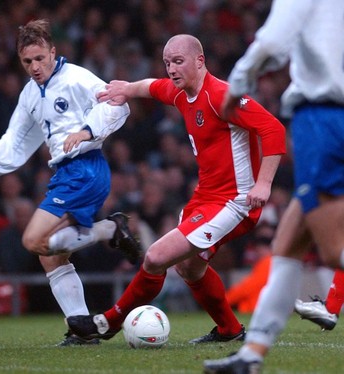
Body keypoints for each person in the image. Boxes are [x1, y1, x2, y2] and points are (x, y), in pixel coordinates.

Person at [65, 34, 286, 344]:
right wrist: (127, 89)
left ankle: (106, 322)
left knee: (155, 257)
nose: (171, 68)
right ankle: (229, 331)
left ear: (200, 61)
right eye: (167, 62)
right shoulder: (181, 92)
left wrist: (263, 183)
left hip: (234, 202)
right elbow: (152, 86)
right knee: (189, 269)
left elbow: (273, 128)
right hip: (206, 198)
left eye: (178, 61)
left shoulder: (222, 96)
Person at [0, 19, 141, 346]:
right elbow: (16, 140)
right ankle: (82, 328)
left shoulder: (77, 78)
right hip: (66, 174)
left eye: (40, 58)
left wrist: (86, 131)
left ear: (53, 53)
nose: (35, 67)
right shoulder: (31, 94)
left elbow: (118, 105)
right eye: (27, 61)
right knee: (49, 255)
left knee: (32, 239)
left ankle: (110, 230)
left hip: (86, 168)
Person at [203, 1, 344, 373]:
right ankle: (252, 355)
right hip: (334, 117)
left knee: (333, 251)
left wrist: (237, 84)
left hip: (323, 117)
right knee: (286, 248)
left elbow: (272, 42)